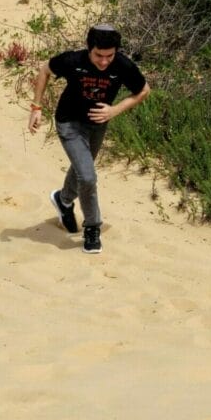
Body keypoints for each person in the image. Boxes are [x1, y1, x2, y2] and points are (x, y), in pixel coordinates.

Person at [28, 24, 150, 254]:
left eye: (109, 56)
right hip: (69, 123)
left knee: (82, 171)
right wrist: (36, 107)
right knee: (88, 176)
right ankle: (92, 228)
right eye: (98, 56)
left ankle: (63, 200)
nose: (104, 62)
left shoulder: (122, 65)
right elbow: (45, 70)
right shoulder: (73, 61)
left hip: (97, 125)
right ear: (88, 48)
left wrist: (115, 110)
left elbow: (144, 91)